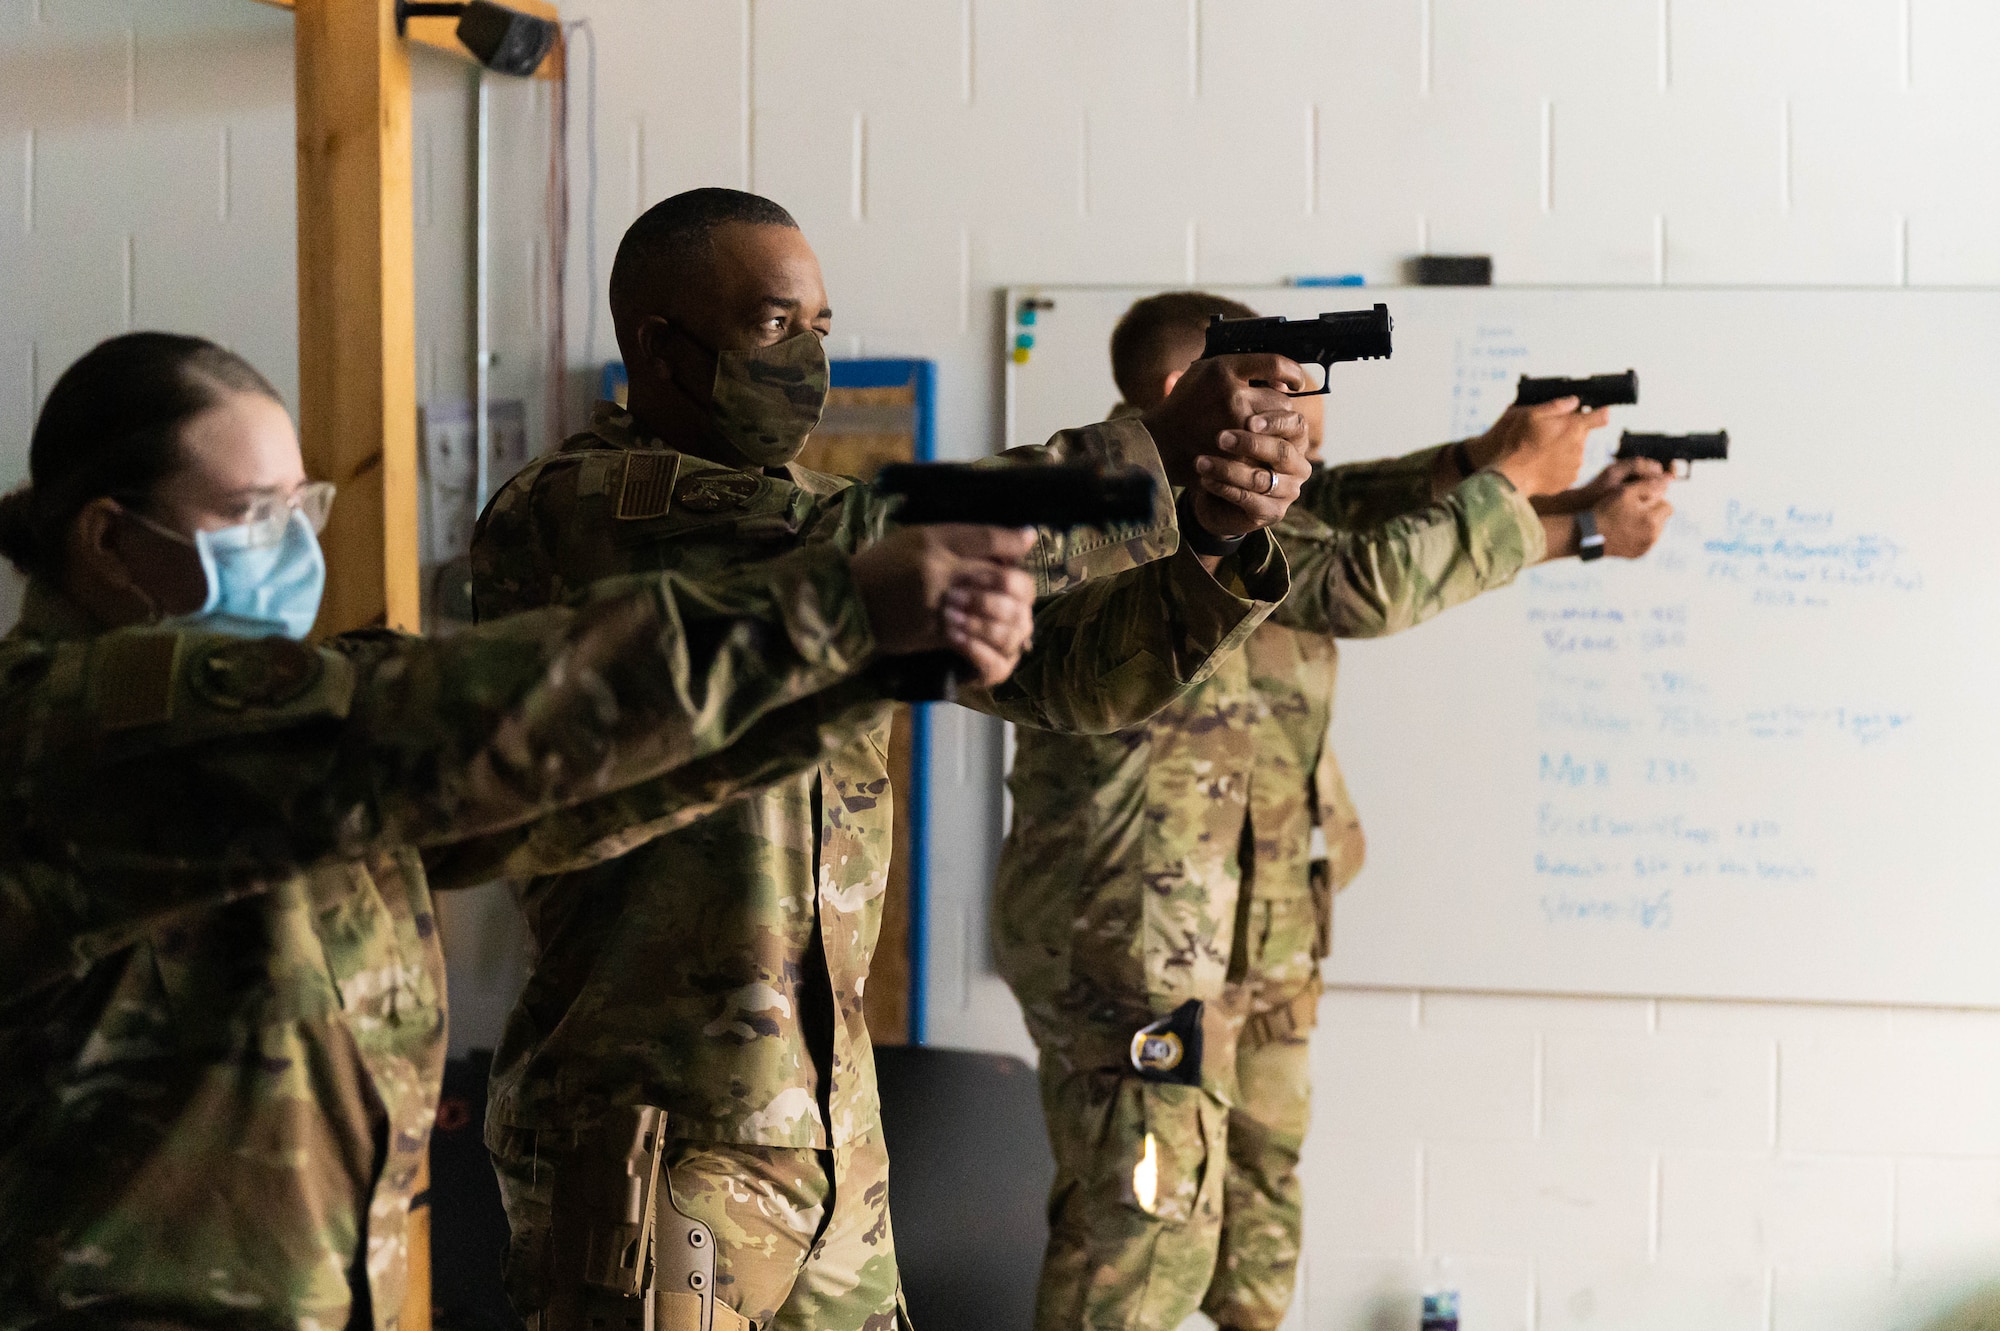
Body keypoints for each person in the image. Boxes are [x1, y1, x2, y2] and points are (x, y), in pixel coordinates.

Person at [0, 331, 1045, 1331]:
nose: (297, 543)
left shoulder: (273, 761)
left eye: (298, 504)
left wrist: (859, 672)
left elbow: (550, 795)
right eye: (249, 512)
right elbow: (447, 718)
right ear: (106, 537)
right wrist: (832, 613)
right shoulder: (76, 725)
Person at [470, 190, 1316, 1331]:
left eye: (821, 325)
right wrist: (1147, 455)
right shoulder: (582, 508)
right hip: (654, 1126)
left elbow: (1067, 676)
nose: (809, 356)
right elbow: (864, 545)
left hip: (824, 1117)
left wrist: (1206, 537)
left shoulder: (821, 518)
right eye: (775, 324)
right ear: (656, 344)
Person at [993, 291, 1674, 1331]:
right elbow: (1361, 579)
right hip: (1133, 945)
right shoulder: (1127, 511)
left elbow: (1354, 508)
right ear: (1188, 396)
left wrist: (1487, 463)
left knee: (1258, 1211)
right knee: (1142, 1227)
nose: (1306, 406)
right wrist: (1543, 503)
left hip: (1254, 934)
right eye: (1272, 383)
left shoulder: (1270, 509)